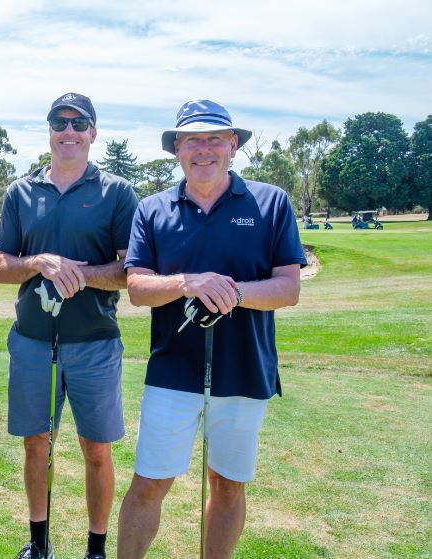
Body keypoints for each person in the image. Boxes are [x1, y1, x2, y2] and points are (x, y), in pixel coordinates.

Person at [116, 99, 307, 559]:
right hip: (172, 371)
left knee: (227, 484)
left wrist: (234, 293)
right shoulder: (152, 209)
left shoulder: (271, 202)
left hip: (245, 368)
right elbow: (137, 288)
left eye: (214, 138)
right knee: (150, 481)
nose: (204, 149)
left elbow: (288, 287)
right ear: (177, 149)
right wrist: (188, 283)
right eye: (192, 140)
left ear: (233, 145)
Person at [0, 93, 138, 559]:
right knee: (37, 444)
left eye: (80, 123)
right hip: (33, 341)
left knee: (96, 449)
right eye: (60, 122)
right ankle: (39, 544)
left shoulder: (116, 192)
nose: (69, 131)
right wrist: (39, 263)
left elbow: (131, 271)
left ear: (93, 133)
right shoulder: (20, 192)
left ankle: (96, 549)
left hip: (94, 342)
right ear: (50, 130)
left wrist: (79, 274)